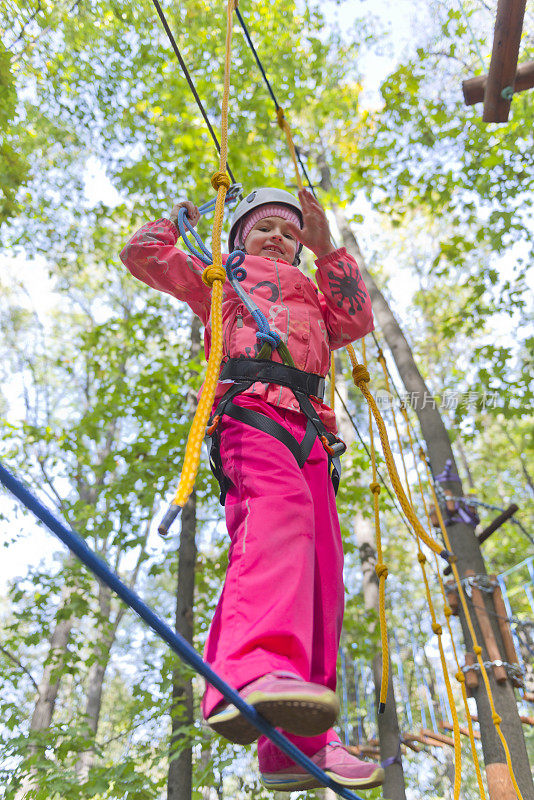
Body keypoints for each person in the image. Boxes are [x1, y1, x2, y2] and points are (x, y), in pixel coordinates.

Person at [120, 187, 384, 791]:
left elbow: (357, 318)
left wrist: (324, 249)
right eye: (264, 227)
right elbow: (141, 253)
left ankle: (298, 746)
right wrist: (179, 221)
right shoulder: (222, 277)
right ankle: (250, 671)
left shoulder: (315, 294)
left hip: (311, 431)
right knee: (277, 523)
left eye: (288, 233)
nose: (278, 239)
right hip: (251, 414)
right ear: (239, 235)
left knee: (323, 573)